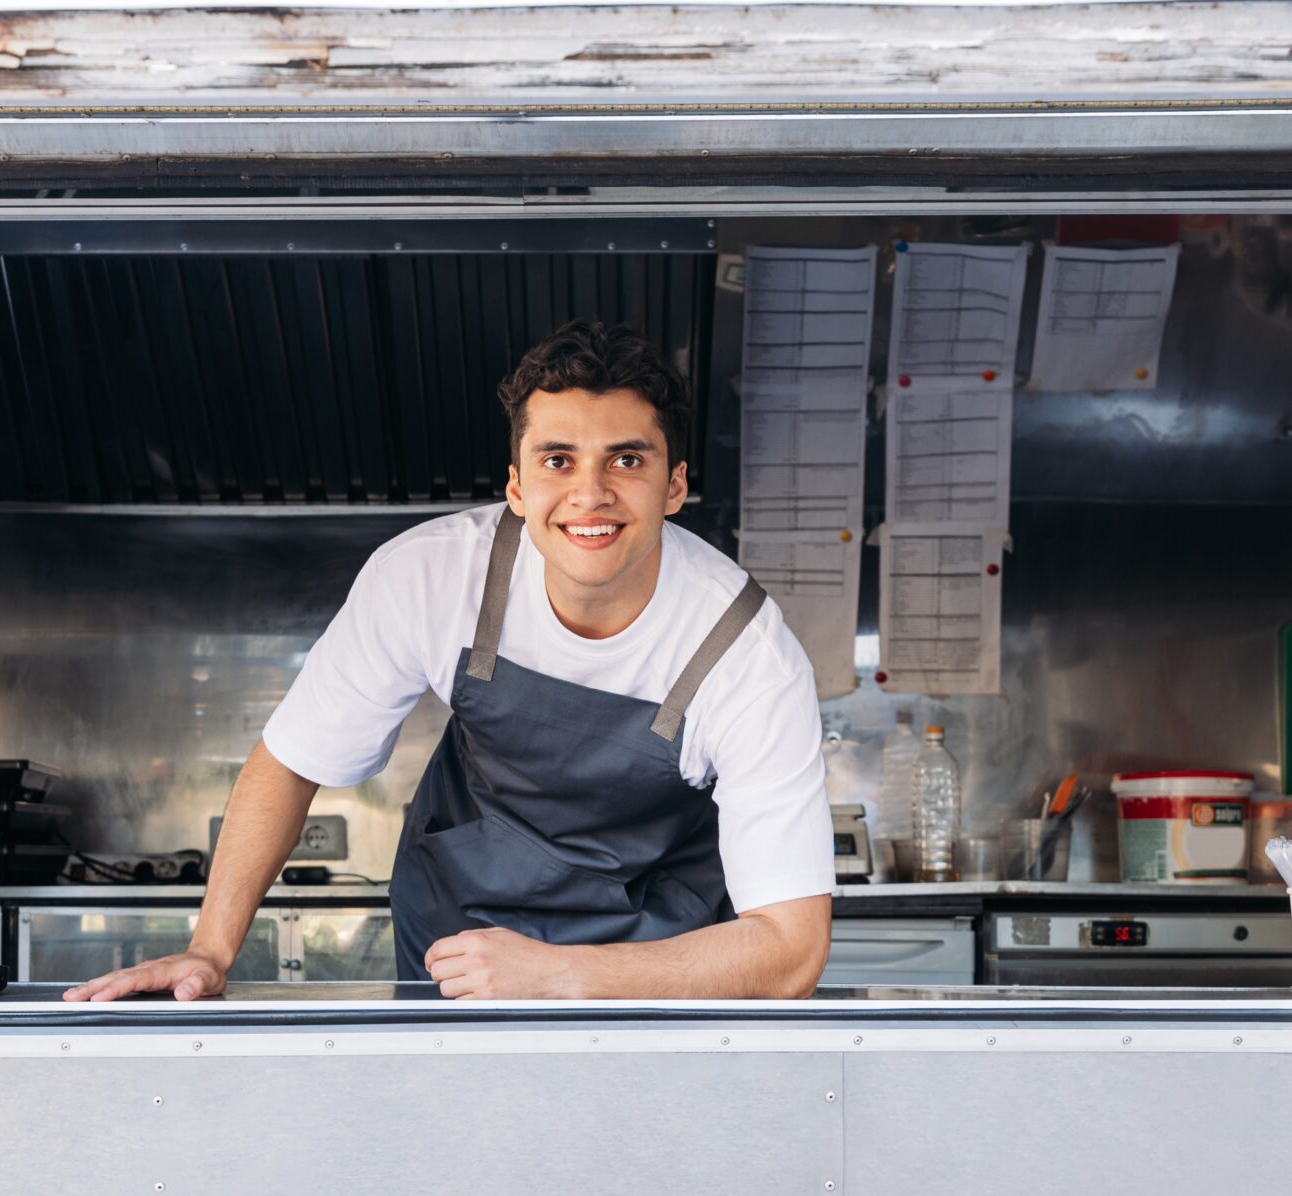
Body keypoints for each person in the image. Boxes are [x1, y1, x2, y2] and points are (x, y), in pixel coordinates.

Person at [67, 321, 831, 1001]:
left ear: (675, 486)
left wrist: (560, 974)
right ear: (517, 487)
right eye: (557, 460)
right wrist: (210, 948)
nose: (590, 494)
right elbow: (290, 758)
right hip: (457, 956)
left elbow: (792, 951)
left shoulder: (746, 650)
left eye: (626, 459)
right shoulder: (432, 578)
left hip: (657, 973)